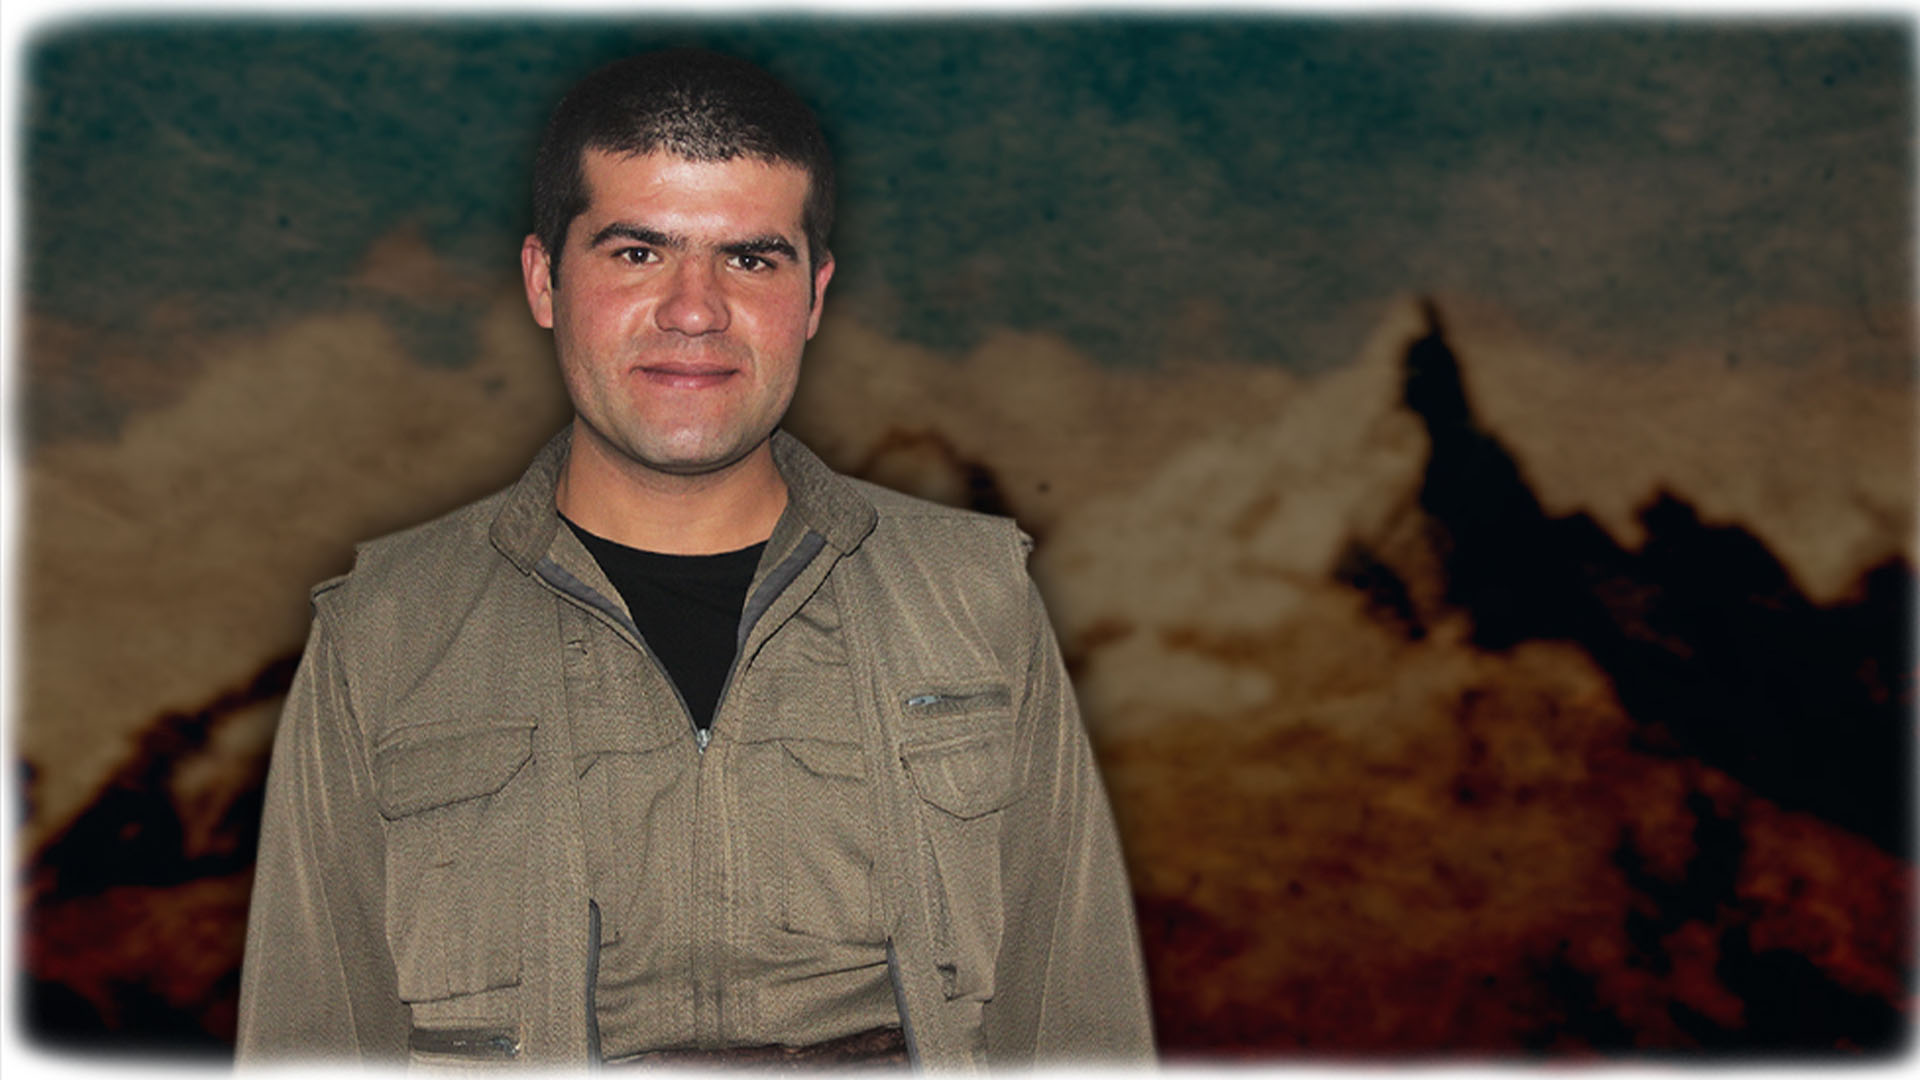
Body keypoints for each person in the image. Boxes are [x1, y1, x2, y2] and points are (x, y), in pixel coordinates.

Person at [235, 48, 1153, 1070]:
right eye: (638, 253)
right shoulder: (383, 629)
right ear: (544, 280)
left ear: (814, 296)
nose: (695, 309)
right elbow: (306, 1037)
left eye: (751, 260)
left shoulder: (973, 596)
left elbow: (1080, 1017)